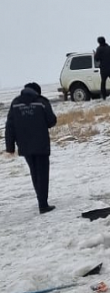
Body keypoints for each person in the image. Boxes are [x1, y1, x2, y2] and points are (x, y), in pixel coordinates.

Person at [4, 83, 58, 214]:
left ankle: (41, 200)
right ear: (36, 92)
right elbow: (51, 121)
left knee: (34, 172)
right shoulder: (42, 102)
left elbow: (9, 126)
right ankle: (43, 204)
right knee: (43, 174)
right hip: (41, 144)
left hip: (25, 145)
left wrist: (10, 147)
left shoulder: (15, 103)